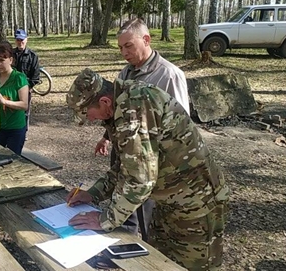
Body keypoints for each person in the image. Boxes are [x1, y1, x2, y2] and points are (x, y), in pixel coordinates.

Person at [66, 68, 229, 271]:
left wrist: (106, 220)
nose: (91, 120)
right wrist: (93, 194)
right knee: (158, 263)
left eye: (88, 115)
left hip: (197, 203)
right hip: (169, 202)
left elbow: (140, 179)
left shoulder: (132, 110)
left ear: (104, 102)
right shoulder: (121, 104)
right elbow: (128, 165)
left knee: (195, 267)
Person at [95, 18, 190, 242]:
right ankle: (122, 248)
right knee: (122, 202)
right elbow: (116, 112)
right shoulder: (125, 73)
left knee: (146, 212)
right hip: (124, 153)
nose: (124, 52)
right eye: (120, 47)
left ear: (146, 39)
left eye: (128, 45)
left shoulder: (168, 74)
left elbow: (183, 123)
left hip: (151, 159)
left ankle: (144, 254)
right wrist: (105, 137)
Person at [0, 41, 29, 154]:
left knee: (13, 160)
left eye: (2, 60)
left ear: (11, 60)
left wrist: (4, 101)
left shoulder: (19, 78)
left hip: (15, 128)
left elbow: (24, 105)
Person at [12, 29, 40, 137]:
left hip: (26, 88)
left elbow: (36, 75)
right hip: (12, 88)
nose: (20, 42)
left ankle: (23, 132)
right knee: (11, 109)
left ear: (26, 40)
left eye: (22, 39)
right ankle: (13, 130)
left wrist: (29, 87)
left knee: (25, 112)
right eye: (18, 40)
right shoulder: (10, 54)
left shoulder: (33, 56)